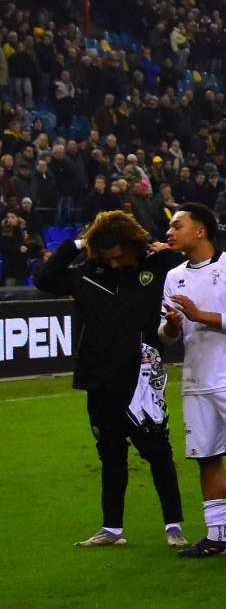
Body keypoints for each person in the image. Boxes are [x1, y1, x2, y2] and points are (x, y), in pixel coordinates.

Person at [34, 210, 186, 547]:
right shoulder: (87, 273)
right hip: (98, 378)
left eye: (119, 255)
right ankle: (112, 528)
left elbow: (187, 258)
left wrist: (161, 248)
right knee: (110, 453)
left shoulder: (156, 266)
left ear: (132, 245)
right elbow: (44, 279)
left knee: (157, 451)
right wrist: (77, 242)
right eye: (107, 256)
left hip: (141, 379)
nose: (114, 263)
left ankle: (174, 525)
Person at [159, 202, 226, 558]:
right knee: (207, 457)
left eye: (177, 226)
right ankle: (216, 535)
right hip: (195, 379)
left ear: (200, 230)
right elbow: (167, 337)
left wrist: (199, 314)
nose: (169, 233)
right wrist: (172, 327)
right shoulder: (173, 276)